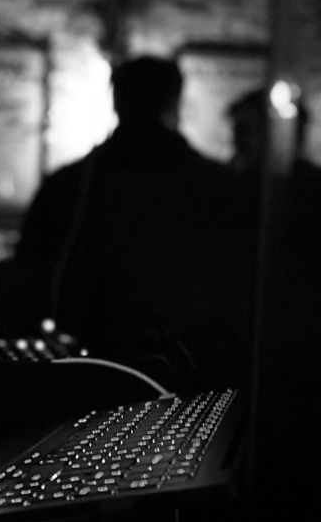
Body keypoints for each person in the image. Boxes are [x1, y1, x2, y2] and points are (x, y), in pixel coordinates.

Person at [14, 55, 245, 386]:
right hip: (192, 367)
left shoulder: (69, 184)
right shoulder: (217, 185)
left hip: (87, 363)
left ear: (116, 101)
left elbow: (31, 276)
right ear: (174, 103)